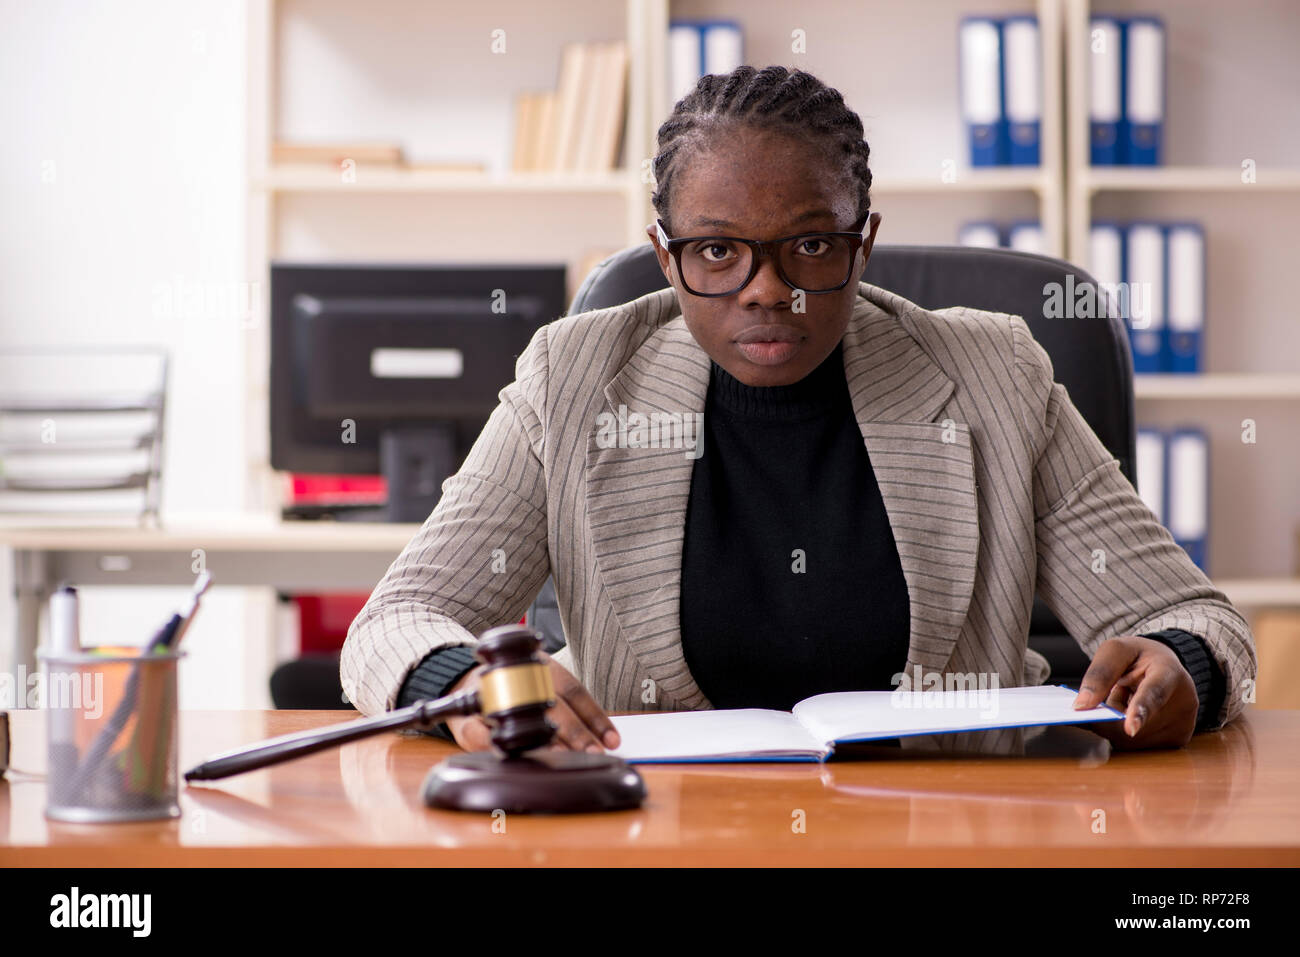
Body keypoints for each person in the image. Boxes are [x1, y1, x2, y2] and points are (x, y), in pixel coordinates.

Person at [341, 65, 1254, 754]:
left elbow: (1196, 616)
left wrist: (1187, 665)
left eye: (811, 245)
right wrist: (465, 684)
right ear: (666, 256)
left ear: (865, 242)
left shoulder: (994, 374)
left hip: (952, 829)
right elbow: (396, 620)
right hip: (654, 833)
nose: (767, 290)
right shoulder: (573, 378)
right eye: (717, 252)